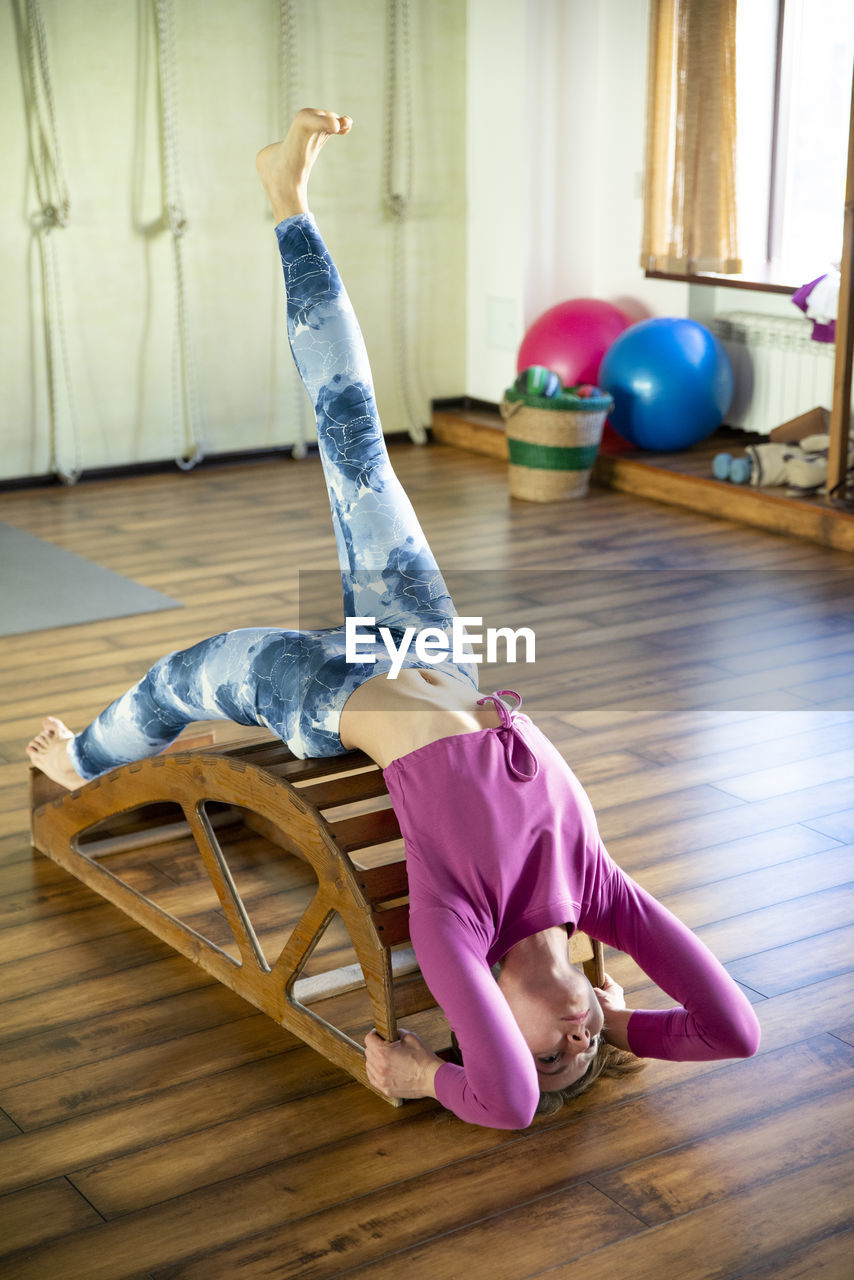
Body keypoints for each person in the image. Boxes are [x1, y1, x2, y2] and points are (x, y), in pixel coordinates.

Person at [26, 109, 761, 1130]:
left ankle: (83, 763)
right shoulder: (597, 892)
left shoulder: (455, 927)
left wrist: (424, 1076)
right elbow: (735, 1030)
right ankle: (287, 198)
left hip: (327, 694)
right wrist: (625, 1023)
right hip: (429, 649)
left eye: (550, 1055)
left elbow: (502, 1104)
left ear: (489, 1019)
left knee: (181, 676)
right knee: (352, 425)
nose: (572, 1047)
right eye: (581, 1050)